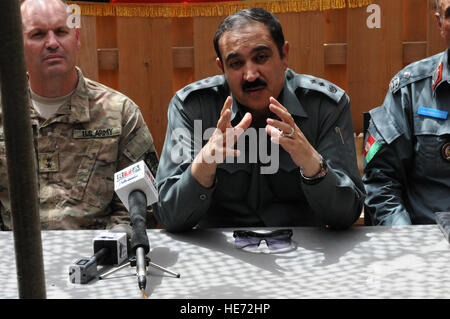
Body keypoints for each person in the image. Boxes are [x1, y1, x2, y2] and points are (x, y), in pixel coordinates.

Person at [154, 7, 365, 232]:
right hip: (220, 249)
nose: (250, 74)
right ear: (222, 67)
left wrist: (311, 161)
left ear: (284, 55)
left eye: (261, 57)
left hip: (303, 250)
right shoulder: (193, 107)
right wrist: (205, 162)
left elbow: (346, 214)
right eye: (236, 63)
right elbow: (169, 214)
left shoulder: (324, 106)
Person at [0, 0, 159, 230]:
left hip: (99, 257)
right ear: (17, 45)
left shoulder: (119, 113)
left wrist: (105, 252)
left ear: (76, 39)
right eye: (38, 34)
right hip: (14, 258)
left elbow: (141, 206)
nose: (52, 43)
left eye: (61, 32)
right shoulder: (6, 112)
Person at [362, 0, 450, 225]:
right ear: (440, 23)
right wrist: (408, 242)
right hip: (429, 247)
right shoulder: (410, 90)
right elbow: (382, 181)